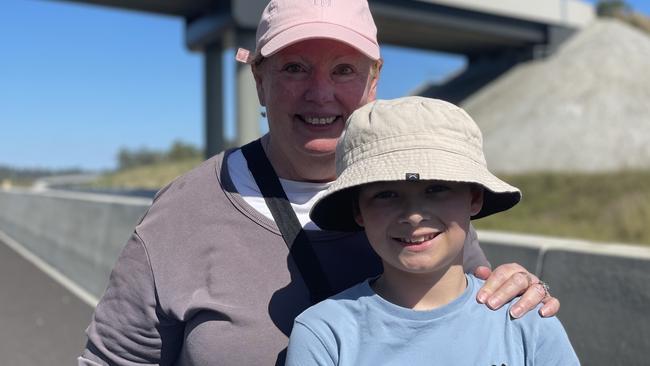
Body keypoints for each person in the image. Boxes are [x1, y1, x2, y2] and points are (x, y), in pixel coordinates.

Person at [79, 1, 559, 365]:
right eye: (294, 67)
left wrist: (515, 291)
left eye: (344, 69)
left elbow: (468, 312)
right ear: (259, 79)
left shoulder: (431, 202)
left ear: (374, 81)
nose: (320, 92)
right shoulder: (184, 212)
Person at [285, 96, 579, 365]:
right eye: (386, 194)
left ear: (474, 197)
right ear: (358, 210)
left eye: (437, 188)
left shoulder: (526, 319)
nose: (413, 215)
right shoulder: (324, 333)